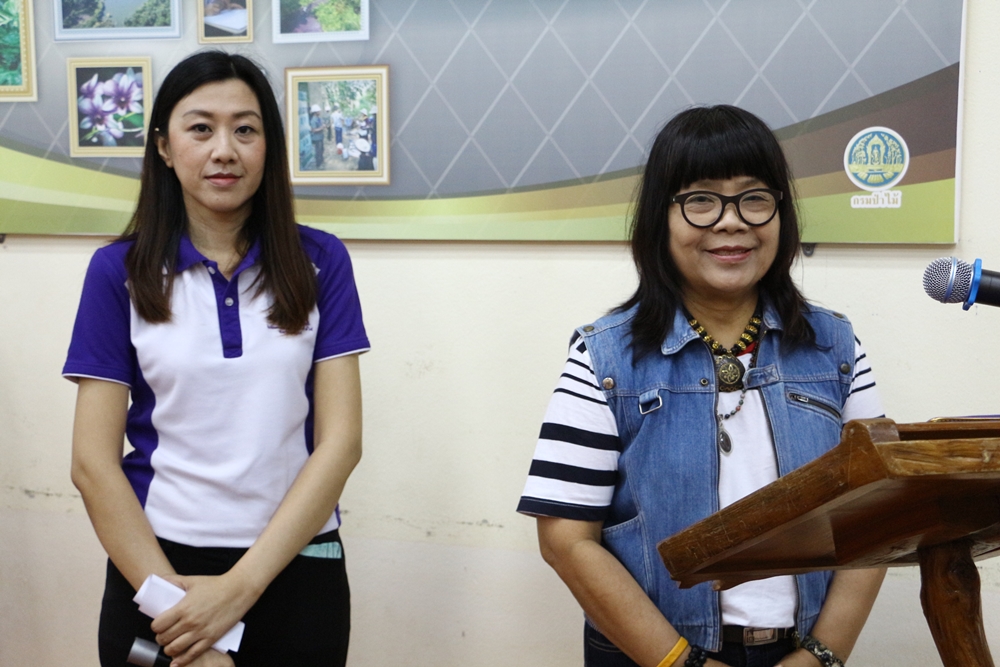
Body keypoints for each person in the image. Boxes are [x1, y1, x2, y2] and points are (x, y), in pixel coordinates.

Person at [517, 105, 886, 667]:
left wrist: (820, 657)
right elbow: (566, 539)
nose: (731, 222)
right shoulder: (602, 357)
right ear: (660, 217)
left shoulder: (836, 347)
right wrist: (683, 663)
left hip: (799, 652)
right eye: (701, 200)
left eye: (754, 198)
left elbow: (876, 517)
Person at [66, 51, 369, 667]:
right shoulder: (117, 273)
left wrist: (237, 591)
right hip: (156, 570)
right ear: (163, 146)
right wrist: (177, 613)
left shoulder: (321, 262)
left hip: (294, 567)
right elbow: (92, 465)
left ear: (269, 145)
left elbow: (341, 444)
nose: (224, 150)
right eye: (200, 128)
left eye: (245, 129)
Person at [309, 103, 327, 169]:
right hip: (317, 138)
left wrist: (323, 125)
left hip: (320, 137)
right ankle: (318, 164)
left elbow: (321, 124)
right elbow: (314, 130)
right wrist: (322, 127)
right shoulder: (313, 120)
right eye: (319, 111)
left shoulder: (318, 118)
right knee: (318, 151)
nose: (320, 112)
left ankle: (321, 160)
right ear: (315, 112)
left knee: (321, 149)